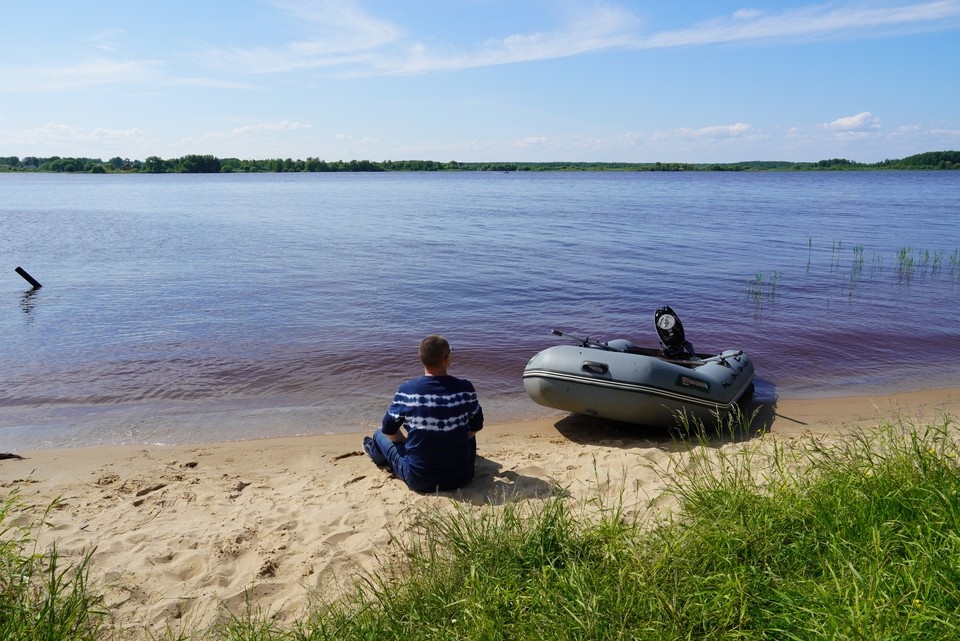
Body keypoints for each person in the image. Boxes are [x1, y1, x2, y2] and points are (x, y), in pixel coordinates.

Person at [363, 334, 484, 492]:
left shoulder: (407, 391)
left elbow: (388, 430)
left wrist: (407, 443)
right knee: (465, 430)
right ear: (447, 359)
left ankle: (377, 454)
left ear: (420, 358)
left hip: (420, 480)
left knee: (379, 433)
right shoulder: (465, 388)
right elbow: (476, 427)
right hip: (462, 476)